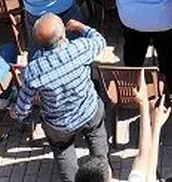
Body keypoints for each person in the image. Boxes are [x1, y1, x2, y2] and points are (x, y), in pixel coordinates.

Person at [11, 13, 109, 182]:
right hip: (89, 111)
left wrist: (15, 112)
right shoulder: (80, 48)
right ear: (63, 34)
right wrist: (80, 27)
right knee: (97, 141)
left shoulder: (33, 70)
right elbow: (100, 41)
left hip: (59, 124)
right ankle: (102, 175)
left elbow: (23, 108)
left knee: (63, 152)